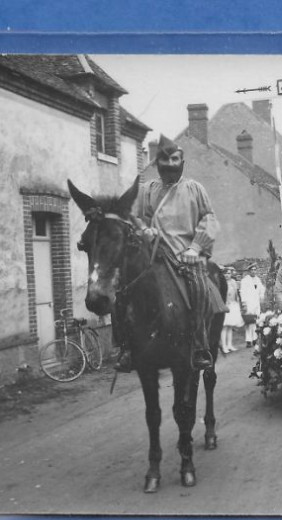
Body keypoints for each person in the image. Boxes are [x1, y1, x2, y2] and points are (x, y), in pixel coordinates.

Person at [117, 135, 220, 373]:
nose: (171, 163)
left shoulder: (194, 189)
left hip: (186, 254)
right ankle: (126, 348)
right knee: (123, 288)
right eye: (166, 159)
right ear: (157, 163)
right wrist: (145, 230)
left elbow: (209, 219)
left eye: (175, 159)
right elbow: (137, 218)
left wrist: (196, 247)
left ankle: (199, 345)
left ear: (182, 161)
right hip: (155, 254)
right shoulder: (147, 190)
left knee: (199, 289)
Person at [239, 263, 265, 346]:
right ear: (249, 271)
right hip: (248, 303)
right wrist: (244, 303)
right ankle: (248, 340)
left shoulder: (258, 279)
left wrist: (261, 296)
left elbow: (261, 289)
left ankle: (254, 338)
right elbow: (242, 292)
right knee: (249, 321)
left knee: (255, 321)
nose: (253, 271)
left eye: (254, 270)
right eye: (251, 270)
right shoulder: (245, 280)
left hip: (256, 303)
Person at [220, 267, 243, 354]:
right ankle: (224, 346)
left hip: (233, 305)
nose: (227, 275)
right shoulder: (221, 283)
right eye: (225, 273)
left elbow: (236, 294)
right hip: (225, 306)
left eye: (229, 273)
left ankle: (229, 345)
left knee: (230, 326)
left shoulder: (233, 282)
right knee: (224, 327)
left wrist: (237, 303)